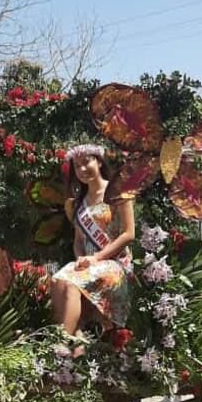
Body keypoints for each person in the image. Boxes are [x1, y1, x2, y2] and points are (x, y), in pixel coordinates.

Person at [51, 144, 135, 339]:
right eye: (77, 167)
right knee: (57, 280)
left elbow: (129, 234)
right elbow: (79, 240)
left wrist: (95, 258)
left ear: (98, 161)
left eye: (86, 162)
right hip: (90, 264)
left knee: (71, 284)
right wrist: (81, 259)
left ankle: (61, 343)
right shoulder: (78, 203)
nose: (82, 170)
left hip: (116, 264)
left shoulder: (119, 191)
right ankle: (77, 339)